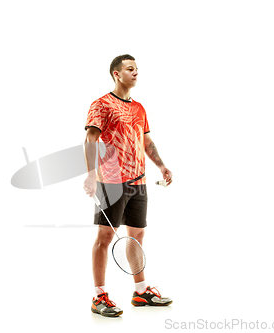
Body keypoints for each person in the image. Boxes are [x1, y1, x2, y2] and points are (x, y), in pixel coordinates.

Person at [83, 54, 173, 317]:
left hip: (139, 182)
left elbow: (146, 142)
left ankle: (141, 291)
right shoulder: (101, 105)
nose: (135, 73)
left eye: (137, 69)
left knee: (137, 235)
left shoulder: (139, 108)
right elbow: (90, 139)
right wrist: (91, 175)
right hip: (111, 182)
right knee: (105, 237)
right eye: (130, 69)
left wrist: (162, 166)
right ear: (116, 74)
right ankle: (99, 296)